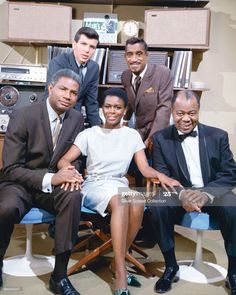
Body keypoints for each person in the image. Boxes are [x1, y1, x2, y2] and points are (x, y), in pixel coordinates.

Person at [57, 88, 181, 295]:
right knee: (120, 201)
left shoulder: (131, 135)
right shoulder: (89, 133)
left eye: (117, 107)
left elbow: (144, 168)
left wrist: (161, 176)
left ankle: (116, 263)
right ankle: (121, 273)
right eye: (108, 106)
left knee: (138, 200)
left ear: (125, 110)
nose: (112, 111)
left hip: (119, 184)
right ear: (102, 108)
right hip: (95, 185)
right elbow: (64, 159)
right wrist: (68, 171)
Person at [0, 69, 85, 295]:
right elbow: (10, 168)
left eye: (74, 93)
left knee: (73, 196)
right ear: (50, 88)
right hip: (20, 182)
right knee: (5, 207)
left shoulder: (77, 119)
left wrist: (72, 173)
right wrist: (51, 177)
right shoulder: (23, 115)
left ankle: (59, 276)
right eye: (63, 89)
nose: (68, 96)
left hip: (54, 185)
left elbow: (78, 156)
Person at [150, 90, 236, 294]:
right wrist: (182, 196)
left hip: (212, 191)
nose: (186, 119)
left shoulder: (218, 136)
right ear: (171, 112)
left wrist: (206, 194)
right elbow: (161, 174)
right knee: (156, 205)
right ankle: (171, 266)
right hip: (179, 193)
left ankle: (233, 272)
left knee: (233, 209)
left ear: (198, 112)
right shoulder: (160, 139)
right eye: (180, 113)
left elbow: (230, 173)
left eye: (192, 113)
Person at [121, 37, 173, 147]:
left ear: (146, 55)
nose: (134, 59)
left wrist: (153, 137)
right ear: (125, 57)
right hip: (139, 129)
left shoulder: (163, 73)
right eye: (130, 54)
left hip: (159, 130)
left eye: (139, 54)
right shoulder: (125, 76)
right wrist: (125, 120)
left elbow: (164, 107)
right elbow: (132, 99)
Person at [46, 26, 101, 127]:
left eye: (92, 47)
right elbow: (53, 97)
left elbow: (91, 102)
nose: (87, 50)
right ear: (74, 44)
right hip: (53, 116)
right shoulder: (58, 63)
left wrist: (97, 130)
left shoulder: (94, 68)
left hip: (75, 119)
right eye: (83, 44)